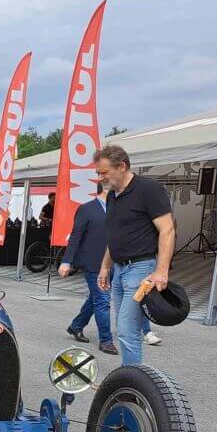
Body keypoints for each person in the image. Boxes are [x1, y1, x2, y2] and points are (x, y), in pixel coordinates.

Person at [95, 145, 174, 366]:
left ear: (122, 166)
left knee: (128, 329)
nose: (100, 177)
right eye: (98, 173)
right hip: (119, 270)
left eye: (104, 172)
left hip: (140, 270)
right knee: (124, 328)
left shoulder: (148, 189)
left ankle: (130, 382)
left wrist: (161, 271)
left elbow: (167, 229)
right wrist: (105, 267)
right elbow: (115, 236)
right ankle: (130, 377)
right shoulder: (113, 196)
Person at [59, 184, 117, 355]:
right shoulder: (86, 209)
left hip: (113, 262)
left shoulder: (118, 210)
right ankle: (106, 341)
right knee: (102, 300)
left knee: (95, 298)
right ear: (107, 189)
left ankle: (76, 326)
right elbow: (75, 236)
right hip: (93, 264)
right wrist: (66, 261)